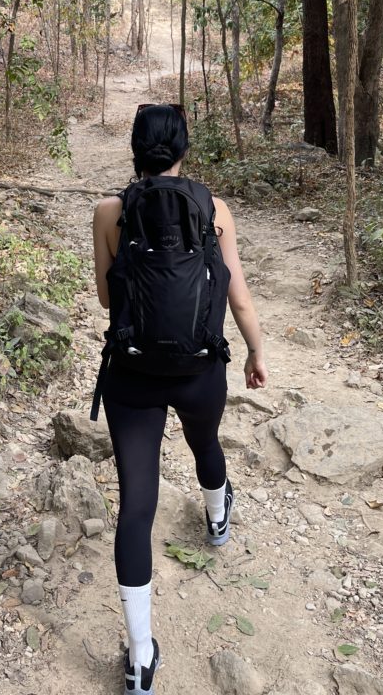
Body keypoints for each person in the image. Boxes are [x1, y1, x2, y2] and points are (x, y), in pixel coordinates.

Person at [92, 103, 267, 695]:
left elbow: (104, 299)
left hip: (131, 376)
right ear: (184, 152)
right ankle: (218, 518)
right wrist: (254, 352)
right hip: (198, 372)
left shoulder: (109, 213)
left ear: (135, 153)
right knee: (204, 444)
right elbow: (238, 294)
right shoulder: (213, 210)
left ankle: (141, 658)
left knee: (136, 503)